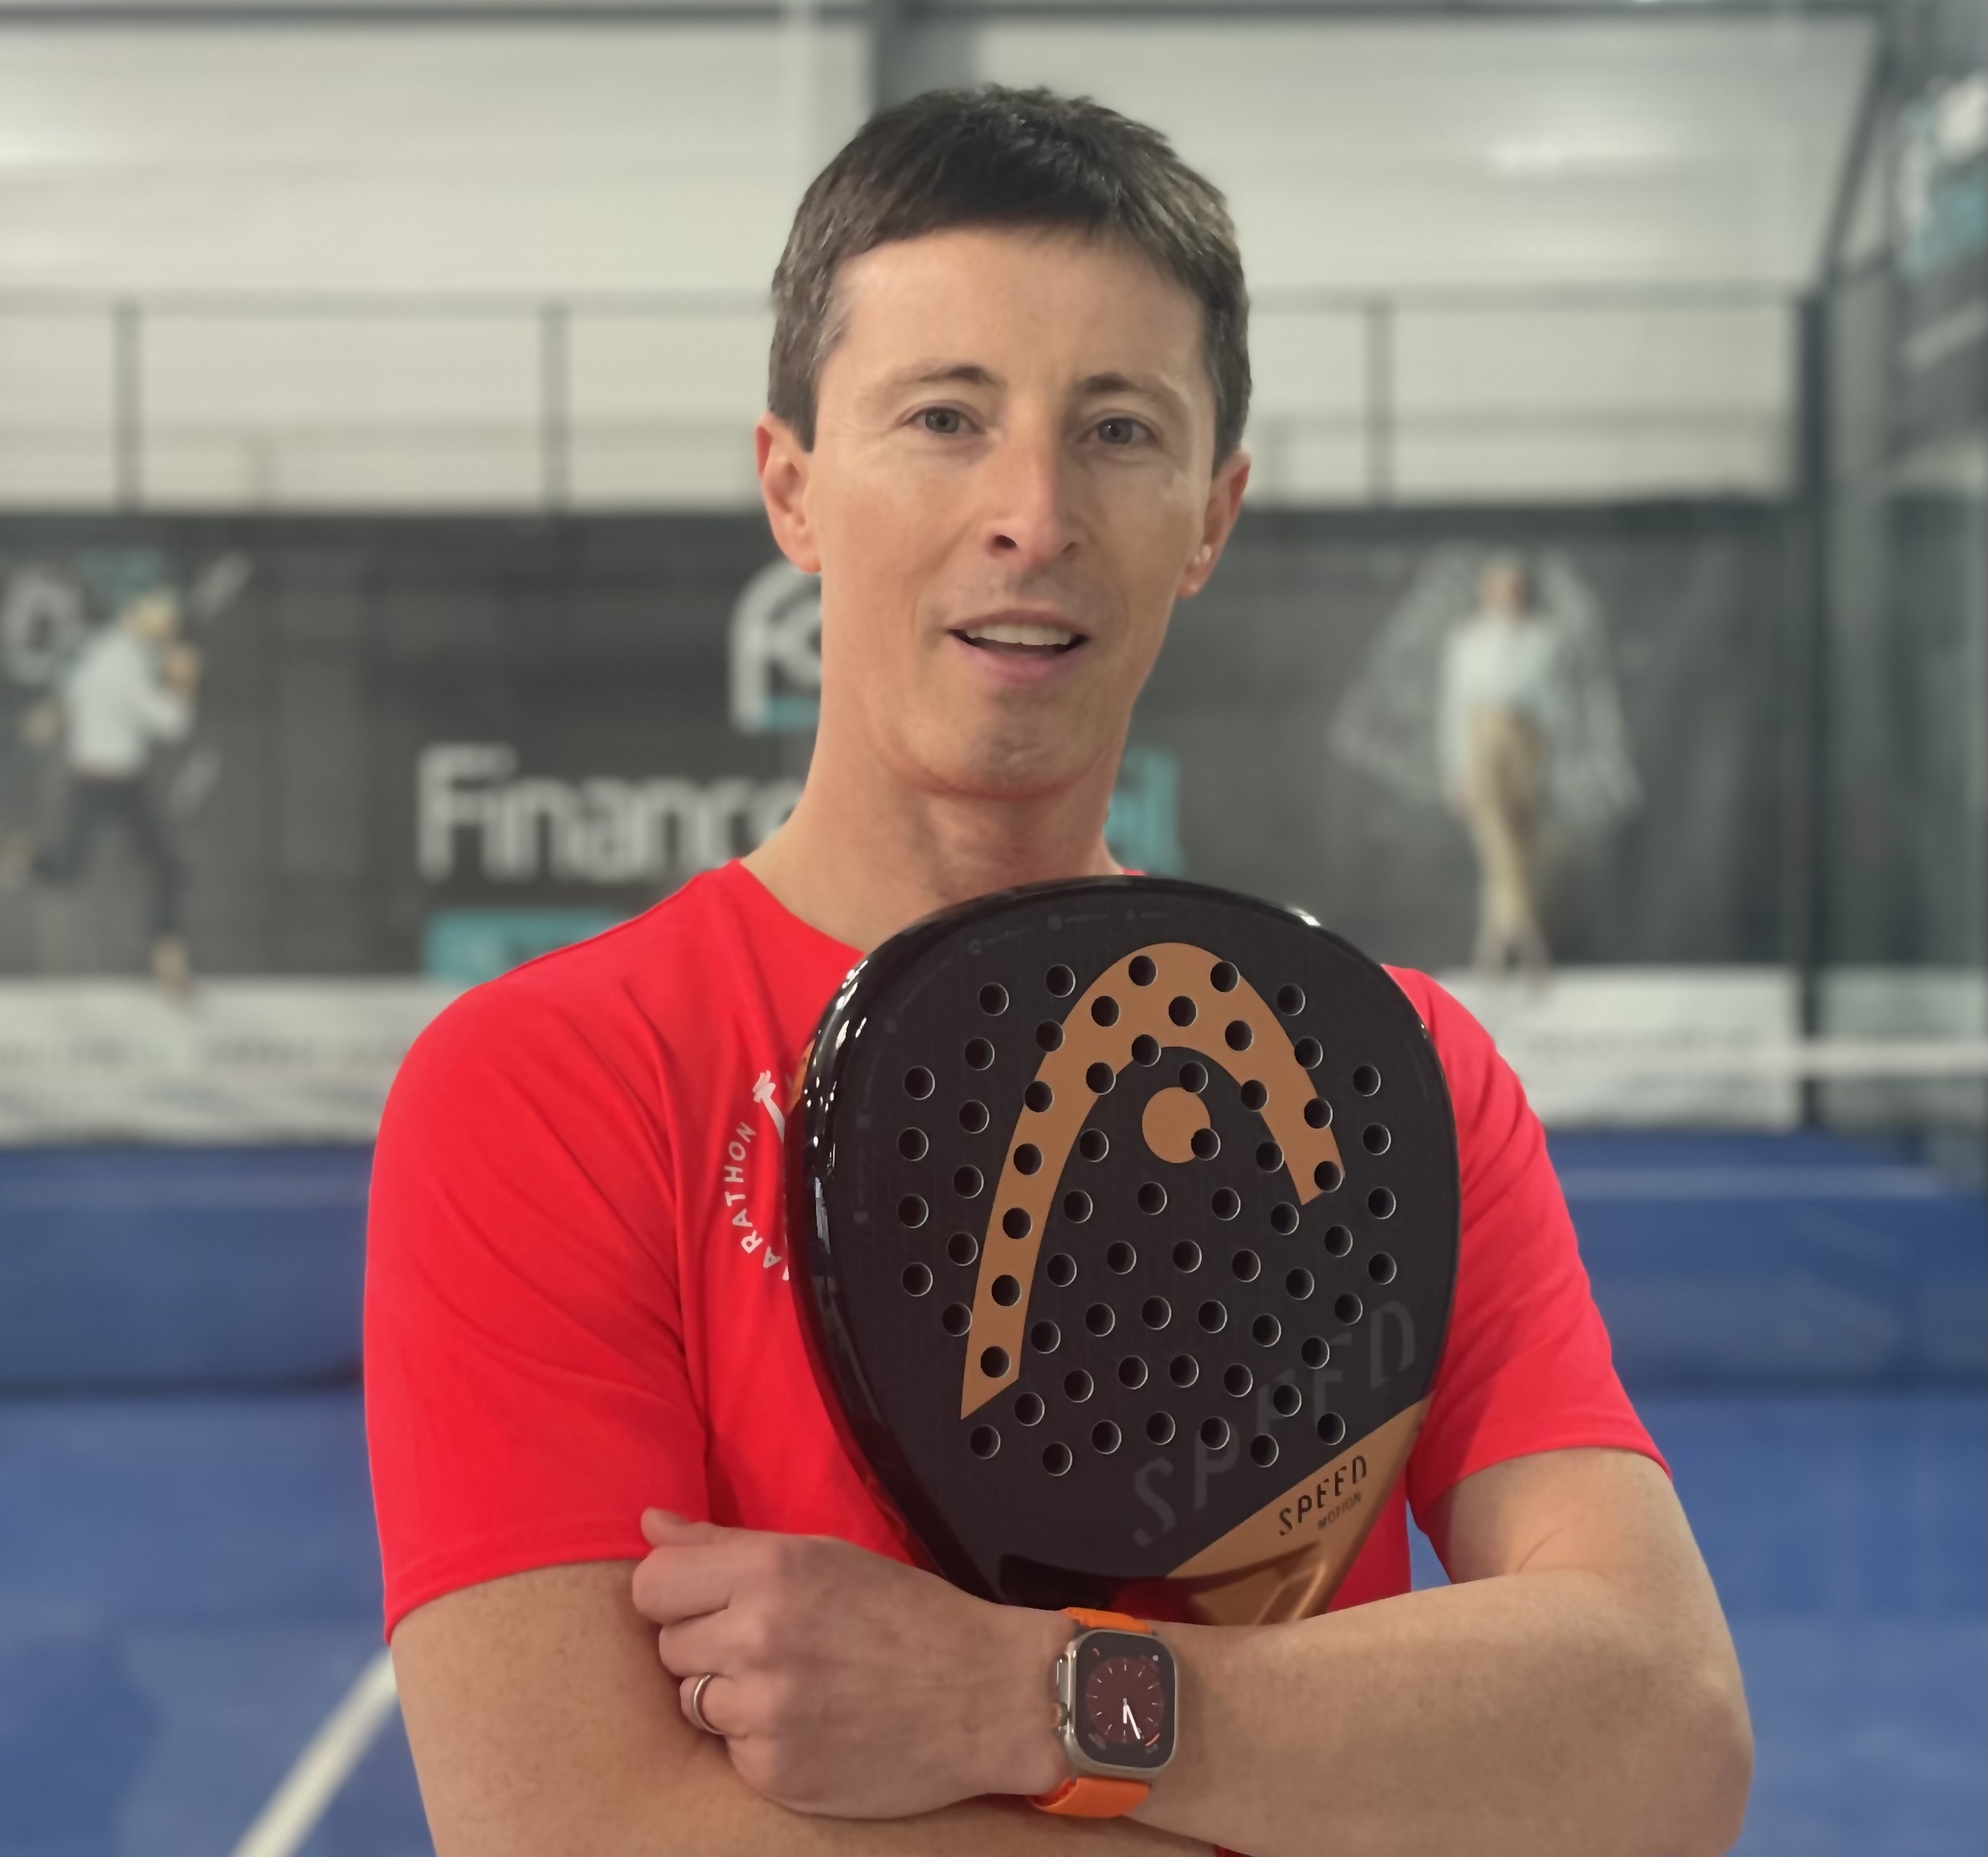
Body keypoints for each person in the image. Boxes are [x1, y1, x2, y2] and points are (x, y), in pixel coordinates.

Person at [366, 88, 1750, 1857]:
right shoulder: (552, 1084)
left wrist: (1013, 1696)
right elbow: (578, 1832)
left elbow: (1664, 1735)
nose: (1032, 513)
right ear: (792, 485)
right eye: (944, 417)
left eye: (1117, 430)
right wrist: (1369, 1781)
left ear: (1211, 514)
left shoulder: (1398, 1067)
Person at [4, 587, 198, 992]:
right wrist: (182, 681)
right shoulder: (123, 662)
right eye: (161, 617)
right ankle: (19, 855)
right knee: (70, 870)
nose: (168, 625)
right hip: (98, 782)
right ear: (135, 616)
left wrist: (56, 710)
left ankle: (168, 958)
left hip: (123, 780)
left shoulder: (112, 649)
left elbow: (74, 689)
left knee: (164, 867)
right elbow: (172, 725)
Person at [1436, 555, 1560, 977]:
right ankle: (1528, 939)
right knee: (1496, 840)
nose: (1508, 596)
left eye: (1515, 587)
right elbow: (1453, 705)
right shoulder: (1467, 638)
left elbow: (1552, 706)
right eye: (1500, 587)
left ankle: (1491, 950)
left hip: (1525, 737)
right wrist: (1456, 770)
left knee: (1520, 841)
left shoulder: (1543, 638)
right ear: (1485, 592)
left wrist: (1543, 765)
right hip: (1482, 735)